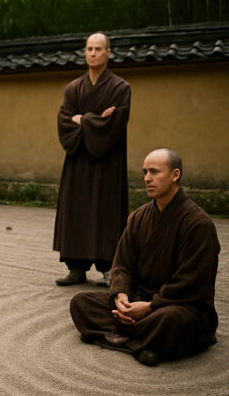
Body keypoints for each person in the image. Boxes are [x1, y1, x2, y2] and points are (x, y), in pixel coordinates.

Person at [70, 148, 220, 366]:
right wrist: (121, 296)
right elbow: (122, 264)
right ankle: (142, 343)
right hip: (138, 300)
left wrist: (150, 307)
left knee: (170, 321)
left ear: (175, 175)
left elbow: (192, 283)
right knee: (81, 303)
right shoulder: (138, 218)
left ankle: (122, 337)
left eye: (154, 172)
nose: (147, 178)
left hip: (178, 306)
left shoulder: (198, 224)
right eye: (144, 172)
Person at [54, 32, 131, 287]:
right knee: (75, 209)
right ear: (84, 52)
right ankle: (76, 267)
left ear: (109, 52)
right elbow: (64, 120)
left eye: (99, 49)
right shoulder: (74, 87)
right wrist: (96, 119)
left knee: (105, 211)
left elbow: (115, 123)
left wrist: (82, 119)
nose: (93, 53)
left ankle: (109, 269)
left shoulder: (121, 88)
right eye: (89, 49)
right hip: (77, 160)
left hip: (107, 162)